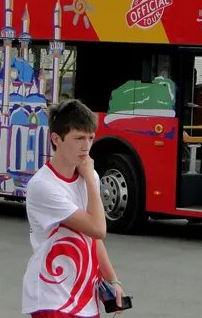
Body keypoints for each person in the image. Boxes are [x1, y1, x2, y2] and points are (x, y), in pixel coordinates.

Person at [22, 100, 125, 317]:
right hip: (51, 295)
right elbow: (98, 228)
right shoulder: (43, 186)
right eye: (78, 138)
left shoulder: (90, 177)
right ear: (56, 139)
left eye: (90, 137)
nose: (86, 146)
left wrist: (112, 280)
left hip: (85, 297)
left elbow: (93, 239)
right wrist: (89, 177)